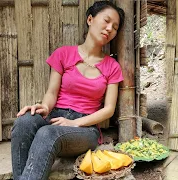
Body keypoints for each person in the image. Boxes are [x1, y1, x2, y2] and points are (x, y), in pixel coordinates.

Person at [11, 1, 125, 179]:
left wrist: (75, 123)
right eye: (106, 21)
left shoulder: (112, 66)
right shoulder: (63, 54)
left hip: (85, 129)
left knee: (47, 133)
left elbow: (109, 109)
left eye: (115, 27)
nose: (110, 28)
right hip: (56, 117)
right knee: (24, 122)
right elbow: (51, 93)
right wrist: (45, 108)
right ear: (90, 19)